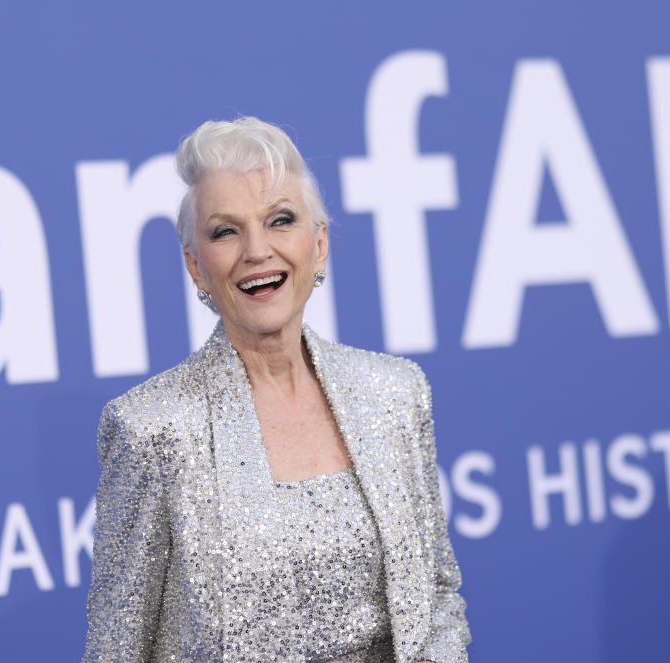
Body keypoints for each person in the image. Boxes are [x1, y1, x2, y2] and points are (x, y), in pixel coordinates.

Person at [81, 117, 471, 663]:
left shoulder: (395, 395)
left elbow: (435, 598)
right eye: (225, 231)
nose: (257, 250)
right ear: (196, 265)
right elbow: (115, 651)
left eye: (280, 220)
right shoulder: (152, 429)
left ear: (320, 243)